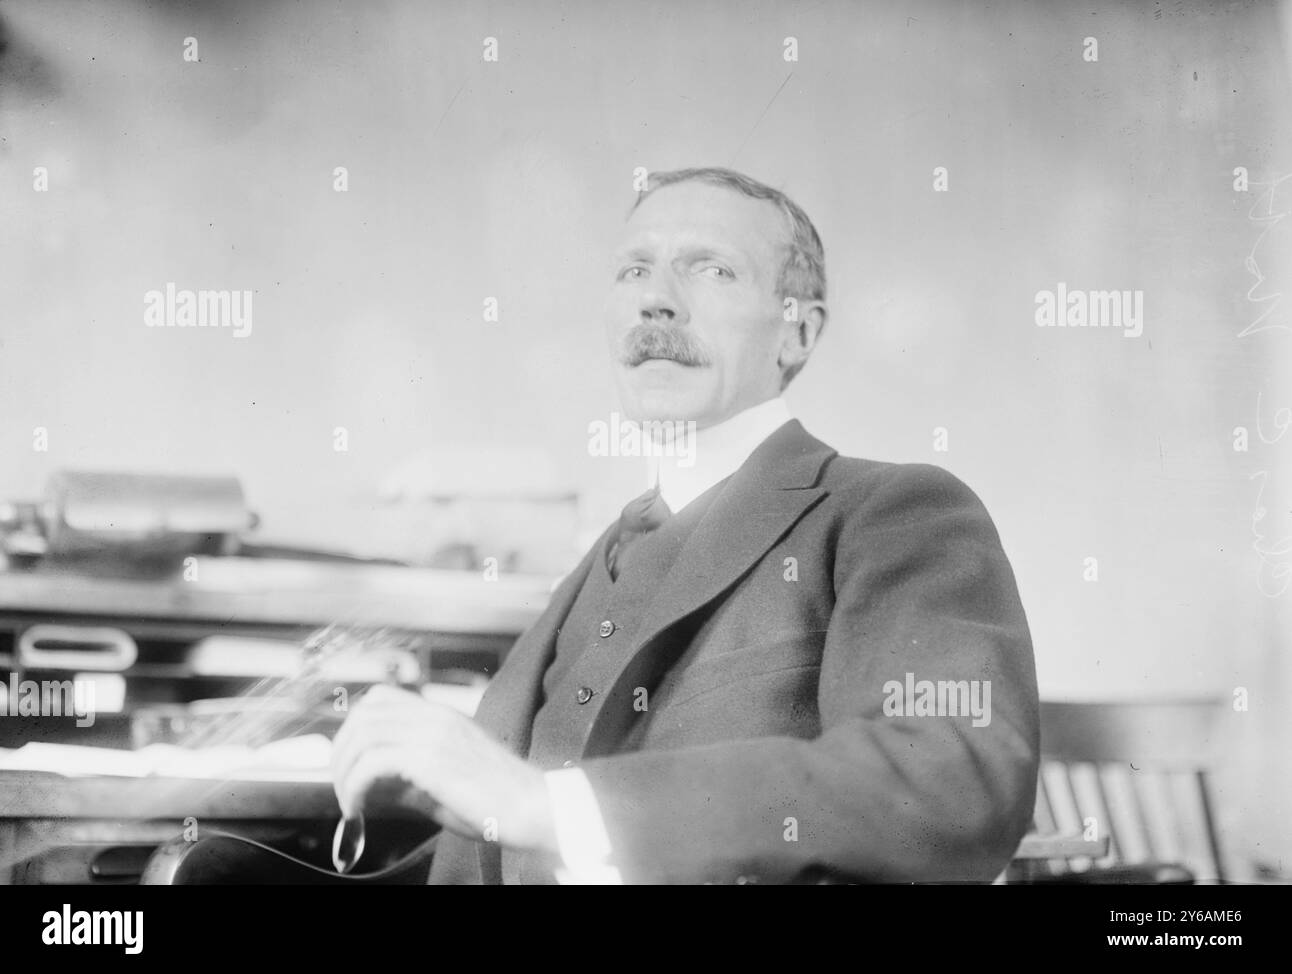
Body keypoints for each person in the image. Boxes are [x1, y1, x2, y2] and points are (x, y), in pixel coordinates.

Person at [332, 167, 1039, 884]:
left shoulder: (893, 511)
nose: (655, 301)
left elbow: (952, 778)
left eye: (711, 270)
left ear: (797, 330)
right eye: (635, 269)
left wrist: (553, 808)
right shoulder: (602, 555)